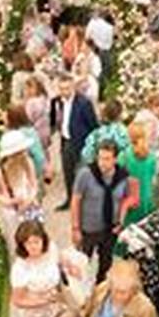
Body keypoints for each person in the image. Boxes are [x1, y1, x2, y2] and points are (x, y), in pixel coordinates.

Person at [71, 140, 136, 284]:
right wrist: (75, 228)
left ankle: (100, 290)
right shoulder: (85, 174)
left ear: (115, 159)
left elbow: (125, 201)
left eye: (107, 159)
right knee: (82, 264)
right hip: (88, 229)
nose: (102, 163)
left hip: (110, 230)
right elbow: (75, 201)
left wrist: (121, 222)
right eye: (100, 158)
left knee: (106, 265)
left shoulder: (122, 177)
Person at [53, 75, 99, 208]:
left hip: (82, 143)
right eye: (61, 89)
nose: (64, 92)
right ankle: (70, 200)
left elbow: (93, 125)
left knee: (82, 173)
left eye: (67, 88)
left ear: (73, 87)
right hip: (66, 141)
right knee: (68, 173)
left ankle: (84, 202)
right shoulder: (59, 103)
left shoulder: (84, 103)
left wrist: (91, 146)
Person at [0, 130, 42, 250]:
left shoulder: (27, 162)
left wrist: (29, 199)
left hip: (30, 208)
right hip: (11, 212)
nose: (23, 154)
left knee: (34, 240)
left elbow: (34, 184)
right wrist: (11, 201)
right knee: (16, 242)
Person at [119, 122, 159, 227]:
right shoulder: (151, 157)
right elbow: (153, 177)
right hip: (146, 199)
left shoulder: (124, 156)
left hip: (130, 200)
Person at [81, 99, 132, 165]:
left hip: (99, 169)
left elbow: (86, 155)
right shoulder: (124, 132)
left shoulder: (96, 133)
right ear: (120, 114)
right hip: (118, 170)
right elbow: (129, 154)